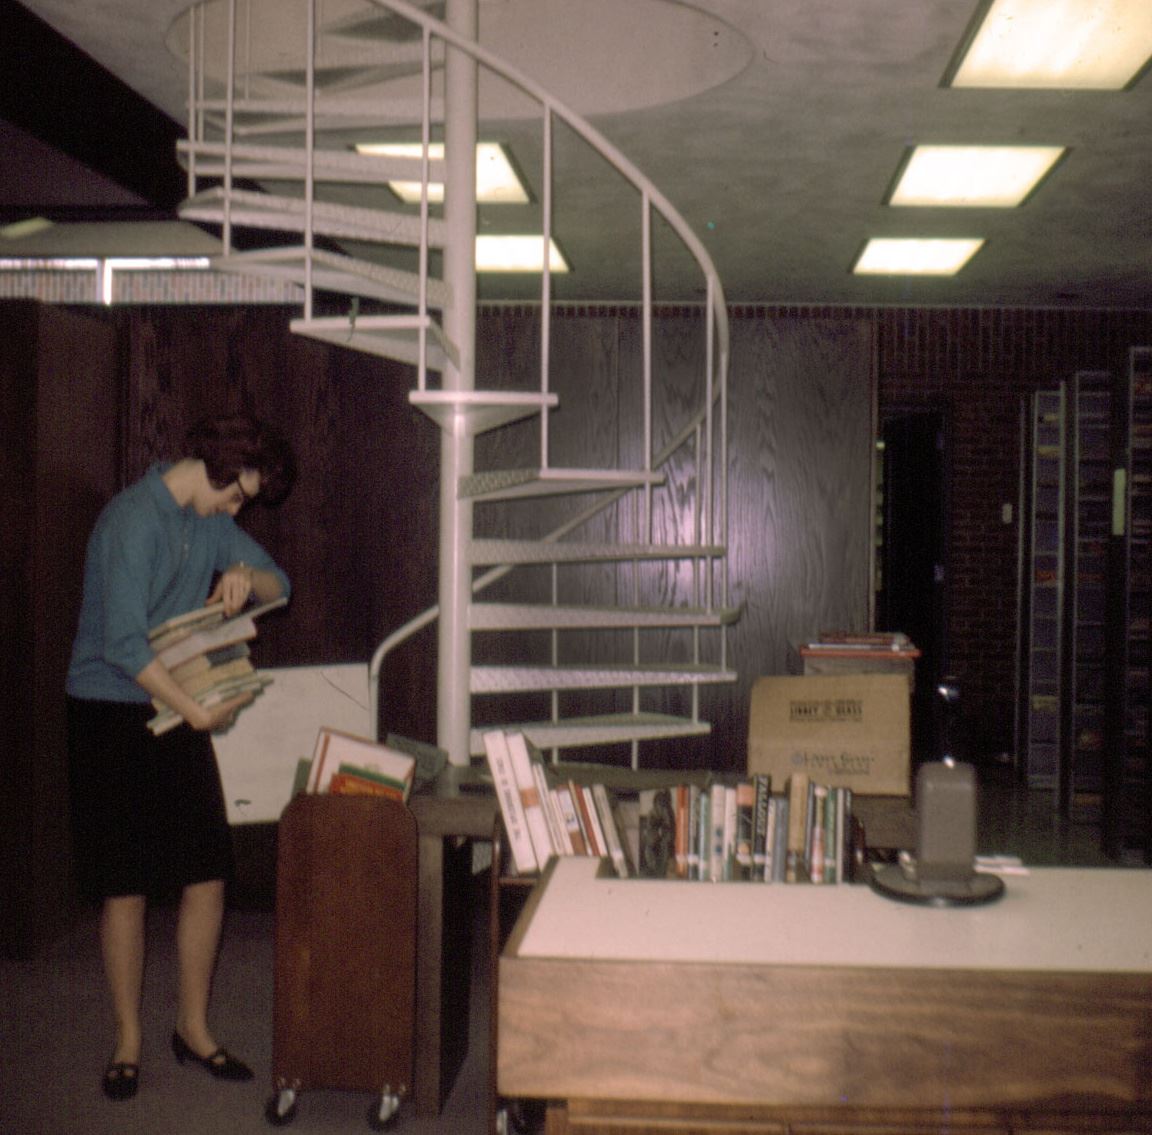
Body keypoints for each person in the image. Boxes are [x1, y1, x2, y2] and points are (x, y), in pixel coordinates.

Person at [66, 411, 296, 1102]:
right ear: (213, 469)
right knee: (126, 885)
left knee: (206, 872)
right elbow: (124, 646)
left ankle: (193, 1028)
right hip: (110, 707)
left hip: (175, 702)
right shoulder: (131, 521)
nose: (237, 509)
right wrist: (195, 713)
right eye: (235, 496)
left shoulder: (210, 521)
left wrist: (243, 579)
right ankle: (129, 1037)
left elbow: (280, 582)